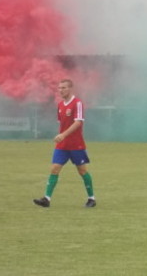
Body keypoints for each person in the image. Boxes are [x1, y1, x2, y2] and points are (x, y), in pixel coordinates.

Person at [33, 79, 96, 208]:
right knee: (54, 169)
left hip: (76, 145)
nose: (60, 90)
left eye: (63, 88)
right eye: (59, 88)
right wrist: (60, 136)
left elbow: (78, 122)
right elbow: (61, 124)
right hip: (62, 145)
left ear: (70, 89)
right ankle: (47, 199)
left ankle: (91, 198)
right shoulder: (60, 105)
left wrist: (63, 135)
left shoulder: (77, 103)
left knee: (82, 171)